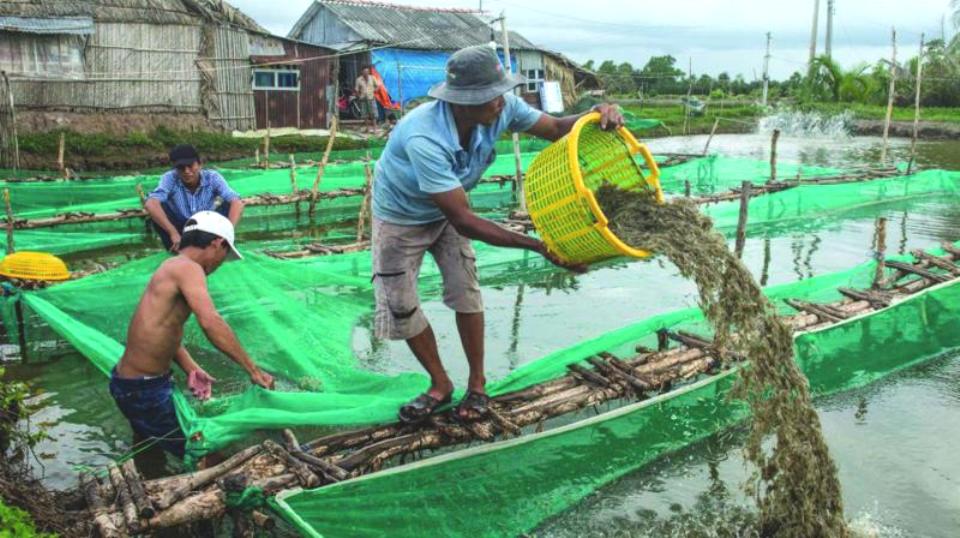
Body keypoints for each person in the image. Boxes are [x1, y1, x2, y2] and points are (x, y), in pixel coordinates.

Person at [372, 45, 624, 424]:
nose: (502, 101)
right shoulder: (424, 137)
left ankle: (477, 385)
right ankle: (440, 384)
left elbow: (555, 128)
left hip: (451, 208)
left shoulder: (501, 107)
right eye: (492, 95)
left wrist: (593, 116)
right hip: (401, 216)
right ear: (464, 101)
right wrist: (539, 246)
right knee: (401, 303)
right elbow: (465, 221)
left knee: (465, 289)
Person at [109, 211, 274, 460]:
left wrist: (190, 368)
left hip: (132, 383)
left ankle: (150, 482)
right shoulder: (189, 269)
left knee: (149, 447)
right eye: (224, 256)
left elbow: (162, 328)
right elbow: (212, 323)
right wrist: (253, 370)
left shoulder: (171, 265)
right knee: (203, 452)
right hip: (145, 390)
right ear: (217, 243)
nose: (219, 265)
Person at [146, 144, 245, 253]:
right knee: (159, 207)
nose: (187, 171)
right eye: (181, 168)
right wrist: (173, 232)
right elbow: (151, 203)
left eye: (190, 166)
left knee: (230, 204)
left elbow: (236, 202)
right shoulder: (170, 178)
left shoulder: (212, 177)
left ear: (200, 164)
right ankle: (176, 249)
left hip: (206, 225)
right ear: (175, 169)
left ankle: (223, 242)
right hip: (180, 226)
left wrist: (228, 232)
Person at [355, 65, 379, 134]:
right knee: (365, 115)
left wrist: (374, 91)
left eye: (367, 71)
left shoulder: (372, 78)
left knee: (373, 114)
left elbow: (377, 86)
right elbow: (356, 89)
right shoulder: (359, 79)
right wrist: (359, 96)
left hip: (371, 98)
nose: (366, 73)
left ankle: (375, 129)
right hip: (363, 99)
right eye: (365, 71)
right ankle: (368, 129)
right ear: (362, 72)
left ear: (369, 72)